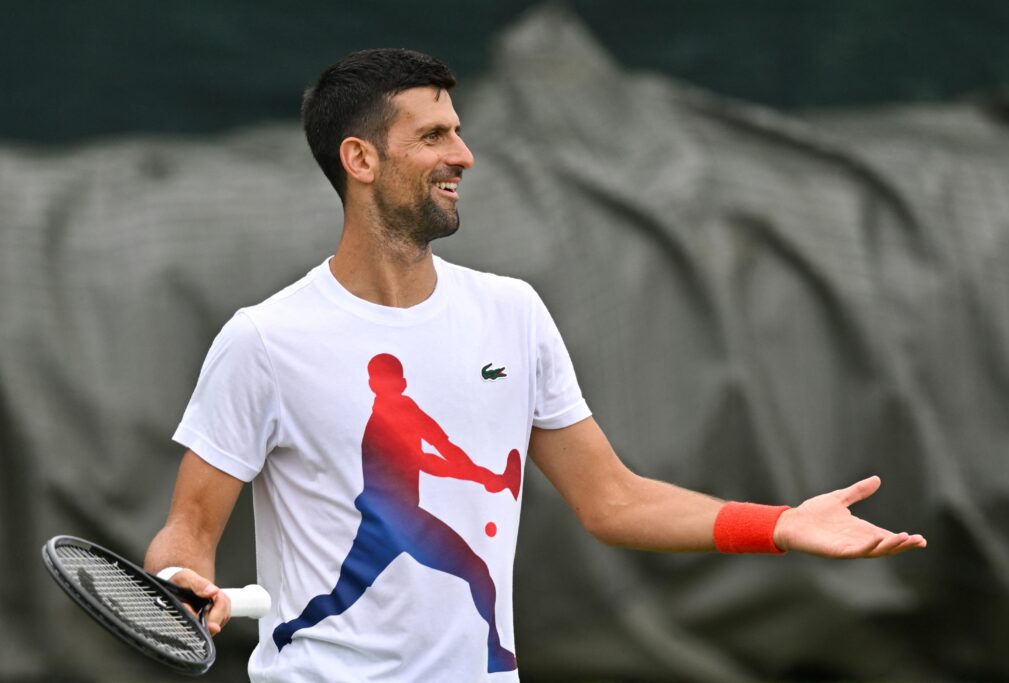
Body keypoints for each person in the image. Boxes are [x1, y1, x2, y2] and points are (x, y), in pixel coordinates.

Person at [144, 48, 926, 682]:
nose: (465, 155)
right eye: (434, 136)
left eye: (458, 130)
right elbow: (190, 527)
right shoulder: (265, 339)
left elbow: (613, 500)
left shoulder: (511, 312)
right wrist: (181, 578)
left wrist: (781, 524)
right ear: (361, 158)